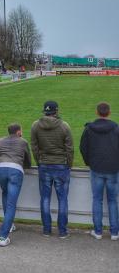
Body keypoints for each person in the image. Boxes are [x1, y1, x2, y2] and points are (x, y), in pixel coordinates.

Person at [31, 101, 73, 238]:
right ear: (56, 111)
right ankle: (62, 231)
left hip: (45, 165)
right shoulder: (64, 126)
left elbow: (34, 147)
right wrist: (69, 164)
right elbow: (69, 149)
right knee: (62, 199)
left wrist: (39, 161)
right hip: (61, 165)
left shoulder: (36, 125)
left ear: (45, 111)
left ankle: (47, 229)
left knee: (45, 198)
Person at [79, 102, 119, 241]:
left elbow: (83, 148)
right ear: (108, 112)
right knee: (112, 200)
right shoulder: (115, 128)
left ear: (97, 112)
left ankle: (99, 231)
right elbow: (83, 147)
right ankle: (114, 232)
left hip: (99, 168)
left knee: (98, 200)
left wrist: (89, 162)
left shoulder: (91, 129)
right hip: (111, 169)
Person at [0, 124, 32, 247]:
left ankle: (9, 225)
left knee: (5, 194)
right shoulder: (23, 142)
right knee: (11, 203)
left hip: (0, 169)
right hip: (15, 170)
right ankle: (3, 236)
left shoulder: (0, 141)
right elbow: (28, 162)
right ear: (18, 132)